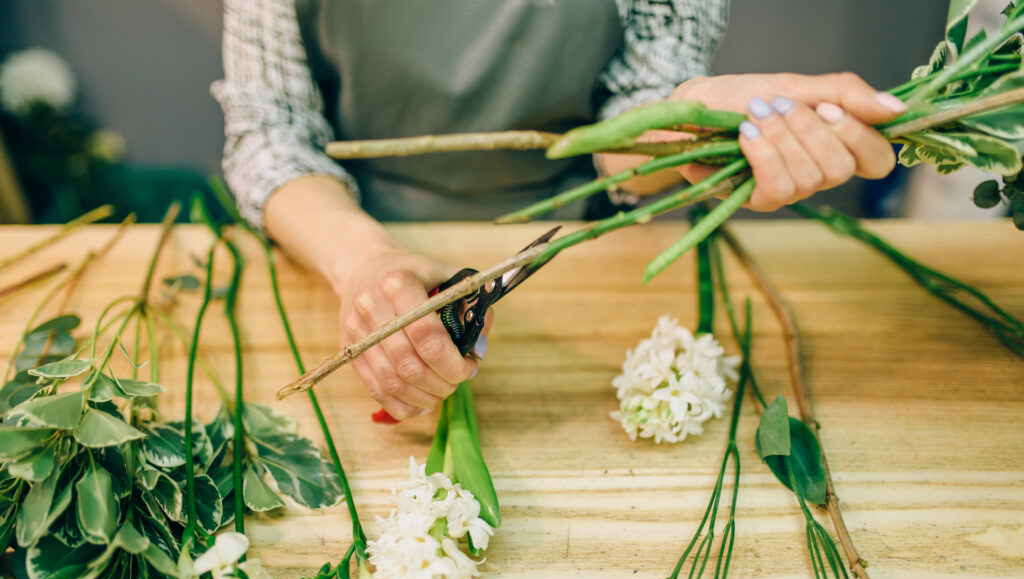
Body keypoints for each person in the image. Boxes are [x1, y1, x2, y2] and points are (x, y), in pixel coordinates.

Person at [213, 0, 905, 422]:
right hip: (343, 233)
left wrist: (689, 129)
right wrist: (365, 265)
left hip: (577, 244)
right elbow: (270, 134)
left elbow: (634, 111)